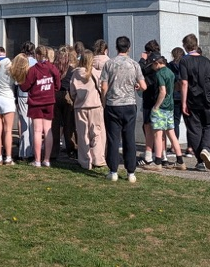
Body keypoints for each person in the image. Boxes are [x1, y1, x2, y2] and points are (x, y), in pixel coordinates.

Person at [99, 35, 146, 182]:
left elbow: (104, 86)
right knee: (129, 138)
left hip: (113, 104)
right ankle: (131, 172)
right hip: (129, 104)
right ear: (129, 48)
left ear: (116, 47)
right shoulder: (134, 64)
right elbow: (143, 86)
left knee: (113, 139)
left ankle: (113, 171)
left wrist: (104, 101)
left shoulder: (109, 64)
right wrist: (136, 86)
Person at [180, 33, 210, 171]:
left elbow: (184, 83)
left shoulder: (184, 61)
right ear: (196, 45)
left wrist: (183, 102)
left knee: (194, 129)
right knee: (209, 125)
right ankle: (206, 149)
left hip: (192, 100)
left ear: (186, 46)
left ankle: (200, 161)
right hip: (208, 99)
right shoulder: (206, 61)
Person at [141, 53, 186, 171]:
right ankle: (180, 160)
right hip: (170, 107)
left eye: (153, 65)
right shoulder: (170, 73)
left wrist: (156, 106)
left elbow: (162, 91)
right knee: (171, 134)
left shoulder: (159, 74)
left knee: (158, 134)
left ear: (157, 63)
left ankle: (157, 162)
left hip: (161, 108)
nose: (152, 68)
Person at [18, 45, 60, 168]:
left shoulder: (33, 70)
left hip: (36, 102)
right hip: (48, 101)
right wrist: (52, 89)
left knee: (37, 130)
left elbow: (25, 86)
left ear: (37, 55)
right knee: (48, 129)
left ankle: (37, 160)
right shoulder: (53, 68)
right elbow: (57, 83)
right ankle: (46, 159)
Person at [69, 49, 106, 171]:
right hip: (95, 105)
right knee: (97, 133)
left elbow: (72, 92)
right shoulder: (96, 73)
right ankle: (98, 159)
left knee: (82, 134)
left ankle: (85, 161)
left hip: (80, 107)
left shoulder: (75, 73)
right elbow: (102, 89)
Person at [51, 46, 77, 161]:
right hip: (67, 96)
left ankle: (54, 151)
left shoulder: (53, 69)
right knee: (69, 125)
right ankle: (71, 150)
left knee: (55, 126)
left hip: (55, 95)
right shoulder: (71, 70)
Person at [139, 40, 162, 166]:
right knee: (161, 129)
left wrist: (143, 60)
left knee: (148, 126)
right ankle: (161, 154)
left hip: (150, 99)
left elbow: (140, 71)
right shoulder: (164, 64)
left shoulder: (150, 65)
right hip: (160, 100)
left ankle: (149, 154)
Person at [14, 41, 37, 160]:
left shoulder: (19, 62)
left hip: (22, 94)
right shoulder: (35, 63)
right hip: (34, 94)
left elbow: (15, 81)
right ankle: (34, 150)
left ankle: (24, 152)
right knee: (33, 124)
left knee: (24, 123)